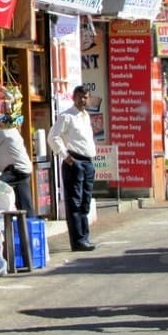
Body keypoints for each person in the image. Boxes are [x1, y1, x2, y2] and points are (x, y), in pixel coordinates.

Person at [48, 86, 97, 251]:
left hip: (88, 162)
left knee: (85, 202)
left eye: (86, 97)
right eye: (81, 97)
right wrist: (66, 157)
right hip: (74, 162)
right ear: (74, 97)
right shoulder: (67, 116)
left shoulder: (85, 116)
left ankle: (85, 236)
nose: (84, 100)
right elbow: (53, 136)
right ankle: (78, 241)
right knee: (75, 202)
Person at [0, 115, 35, 218]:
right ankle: (28, 227)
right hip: (23, 169)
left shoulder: (0, 131)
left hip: (15, 170)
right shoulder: (12, 130)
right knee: (24, 204)